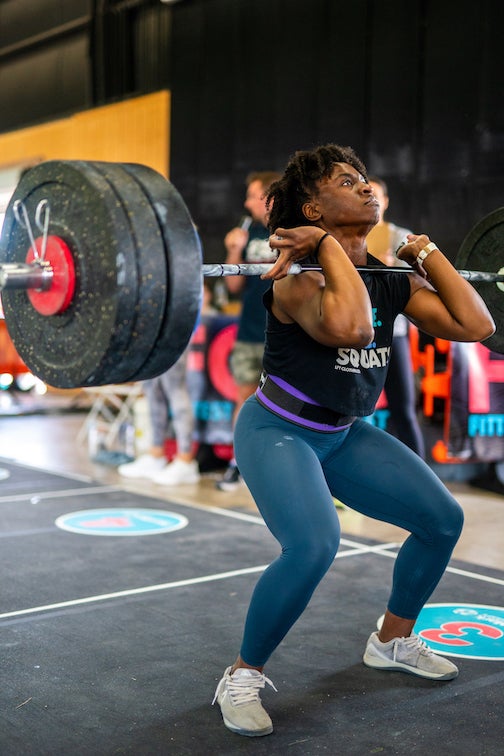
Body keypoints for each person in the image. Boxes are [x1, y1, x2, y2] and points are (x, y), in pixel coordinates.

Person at [212, 143, 494, 737]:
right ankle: (242, 673)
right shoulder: (294, 281)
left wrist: (426, 252)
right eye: (348, 181)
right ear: (312, 209)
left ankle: (392, 641)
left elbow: (477, 325)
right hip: (277, 430)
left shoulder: (389, 279)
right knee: (314, 545)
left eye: (367, 179)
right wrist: (320, 250)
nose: (367, 187)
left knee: (442, 519)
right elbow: (353, 326)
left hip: (343, 434)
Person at [215, 170, 281, 491]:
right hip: (249, 331)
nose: (245, 201)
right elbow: (233, 285)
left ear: (269, 197)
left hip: (283, 333)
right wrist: (233, 250)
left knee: (283, 403)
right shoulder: (248, 229)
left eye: (252, 194)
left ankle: (277, 466)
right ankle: (237, 463)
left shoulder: (291, 229)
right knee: (244, 398)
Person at [366, 176, 425, 457]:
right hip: (357, 334)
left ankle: (424, 478)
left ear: (386, 201)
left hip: (394, 334)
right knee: (352, 412)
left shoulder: (402, 236)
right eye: (363, 192)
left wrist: (390, 269)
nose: (370, 199)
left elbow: (419, 286)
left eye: (375, 194)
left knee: (404, 408)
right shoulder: (342, 238)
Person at [118, 345, 200, 486]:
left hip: (174, 332)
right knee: (152, 391)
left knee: (176, 390)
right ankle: (156, 456)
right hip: (150, 334)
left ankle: (185, 461)